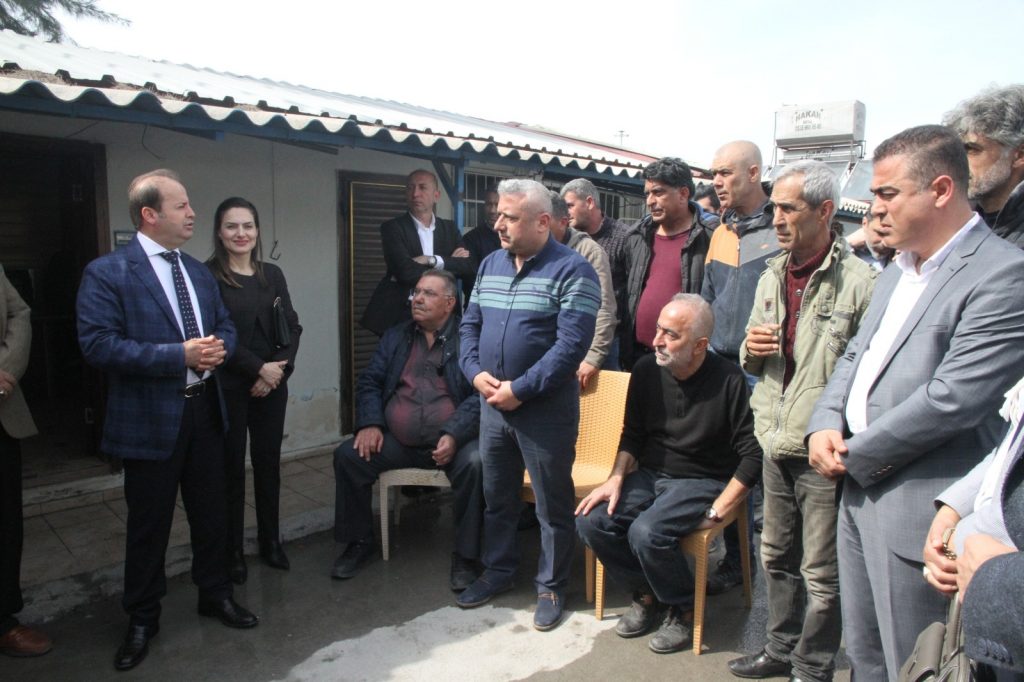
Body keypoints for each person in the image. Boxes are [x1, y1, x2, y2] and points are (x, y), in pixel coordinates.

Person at [805, 125, 1024, 681]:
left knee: (916, 662)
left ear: (941, 190)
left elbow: (954, 398)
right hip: (858, 493)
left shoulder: (1003, 273)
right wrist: (824, 422)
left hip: (921, 507)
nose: (875, 208)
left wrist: (853, 453)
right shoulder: (896, 271)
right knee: (866, 657)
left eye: (887, 193)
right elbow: (854, 356)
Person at [77, 169, 258, 672]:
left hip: (206, 413)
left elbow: (223, 325)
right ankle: (142, 618)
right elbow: (98, 345)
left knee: (212, 514)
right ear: (149, 214)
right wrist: (178, 355)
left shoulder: (197, 272)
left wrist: (219, 348)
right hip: (150, 421)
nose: (193, 213)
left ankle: (215, 594)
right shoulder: (109, 272)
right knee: (149, 525)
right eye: (181, 206)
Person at [728, 161, 876, 682]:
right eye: (775, 208)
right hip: (773, 438)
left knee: (821, 571)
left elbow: (865, 378)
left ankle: (812, 667)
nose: (777, 218)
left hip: (820, 450)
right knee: (774, 555)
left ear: (824, 211)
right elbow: (748, 355)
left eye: (789, 208)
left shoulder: (862, 284)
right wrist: (752, 347)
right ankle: (779, 648)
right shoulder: (771, 273)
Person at [575, 295, 761, 654]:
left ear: (700, 345)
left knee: (647, 533)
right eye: (659, 329)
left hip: (703, 480)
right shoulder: (647, 369)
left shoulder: (729, 380)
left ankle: (684, 607)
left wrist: (718, 510)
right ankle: (647, 593)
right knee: (591, 521)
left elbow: (752, 455)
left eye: (670, 335)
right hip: (651, 474)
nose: (657, 340)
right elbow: (632, 434)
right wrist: (615, 478)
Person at [458, 178, 599, 631]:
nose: (498, 224)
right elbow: (469, 325)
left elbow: (570, 347)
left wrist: (519, 389)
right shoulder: (490, 265)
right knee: (497, 497)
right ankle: (498, 570)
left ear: (542, 222)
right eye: (498, 214)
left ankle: (552, 585)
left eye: (510, 217)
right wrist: (473, 373)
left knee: (551, 506)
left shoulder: (575, 271)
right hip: (492, 407)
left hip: (544, 414)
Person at [331, 269, 483, 591]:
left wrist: (454, 433)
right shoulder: (396, 336)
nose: (418, 299)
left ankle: (467, 555)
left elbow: (479, 396)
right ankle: (360, 542)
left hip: (453, 443)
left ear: (450, 303)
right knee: (348, 456)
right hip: (400, 442)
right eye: (417, 292)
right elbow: (370, 381)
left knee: (476, 463)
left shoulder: (469, 339)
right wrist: (370, 423)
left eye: (429, 293)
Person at [207, 197, 302, 585]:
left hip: (271, 386)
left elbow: (292, 326)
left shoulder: (271, 274)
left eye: (247, 225)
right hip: (229, 385)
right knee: (230, 470)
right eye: (232, 226)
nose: (241, 233)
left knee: (268, 465)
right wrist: (257, 368)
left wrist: (276, 372)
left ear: (258, 230)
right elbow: (214, 336)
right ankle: (232, 551)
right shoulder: (208, 276)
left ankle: (270, 541)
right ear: (219, 232)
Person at [703, 140, 777, 595]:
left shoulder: (781, 227)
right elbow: (708, 297)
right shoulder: (720, 231)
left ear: (753, 173)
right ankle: (734, 559)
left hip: (763, 369)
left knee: (761, 468)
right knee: (725, 461)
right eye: (714, 173)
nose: (717, 182)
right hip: (720, 363)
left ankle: (767, 570)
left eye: (725, 173)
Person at [621, 157, 718, 369]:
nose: (650, 201)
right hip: (638, 357)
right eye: (647, 193)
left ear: (683, 194)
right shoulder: (637, 236)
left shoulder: (712, 236)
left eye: (658, 192)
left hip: (686, 362)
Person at [0, 265, 51, 658]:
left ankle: (3, 620)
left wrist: (6, 369)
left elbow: (19, 311)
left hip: (2, 407)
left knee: (6, 522)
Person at [360, 169, 474, 333]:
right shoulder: (392, 228)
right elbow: (405, 272)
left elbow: (468, 266)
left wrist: (430, 259)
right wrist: (449, 264)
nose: (415, 194)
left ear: (436, 195)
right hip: (402, 313)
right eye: (410, 188)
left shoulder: (449, 229)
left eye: (422, 187)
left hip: (442, 314)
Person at [549, 191, 617, 388]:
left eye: (545, 222)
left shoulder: (589, 252)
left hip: (585, 356)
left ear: (563, 222)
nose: (539, 228)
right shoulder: (535, 252)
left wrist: (593, 357)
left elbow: (604, 307)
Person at [560, 178, 631, 366]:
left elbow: (633, 287)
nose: (566, 213)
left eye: (570, 206)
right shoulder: (566, 240)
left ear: (590, 202)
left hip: (610, 337)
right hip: (575, 334)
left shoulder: (623, 237)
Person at [943, 84, 1024, 247]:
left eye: (972, 149)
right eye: (957, 150)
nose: (957, 161)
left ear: (1019, 156)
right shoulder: (957, 227)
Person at [458, 187, 502, 304]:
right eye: (489, 204)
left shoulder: (515, 239)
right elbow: (470, 279)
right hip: (478, 307)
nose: (492, 210)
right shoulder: (470, 239)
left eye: (497, 205)